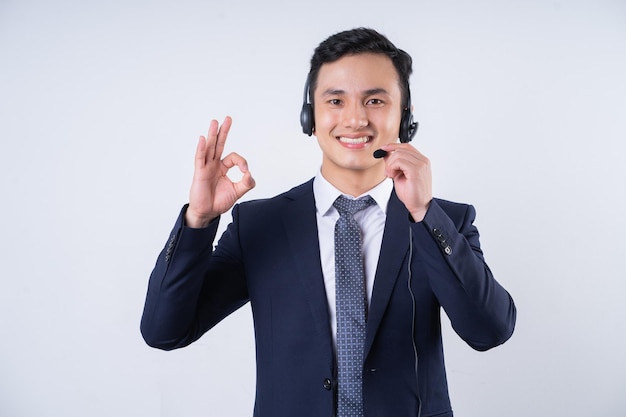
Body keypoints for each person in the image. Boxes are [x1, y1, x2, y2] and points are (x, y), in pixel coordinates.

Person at [141, 27, 516, 417]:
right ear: (311, 116)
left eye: (374, 100)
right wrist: (198, 219)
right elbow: (164, 331)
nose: (354, 119)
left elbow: (490, 331)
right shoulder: (261, 224)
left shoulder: (445, 221)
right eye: (335, 100)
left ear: (405, 116)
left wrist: (424, 214)